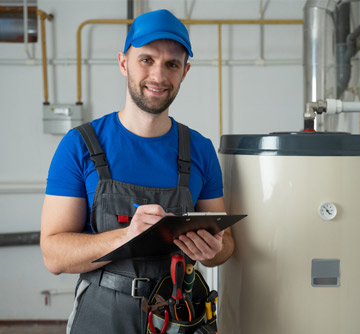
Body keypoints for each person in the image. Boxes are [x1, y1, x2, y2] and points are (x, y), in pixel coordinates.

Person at [40, 9, 234, 334]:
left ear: (184, 72)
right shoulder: (80, 146)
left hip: (180, 311)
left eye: (172, 64)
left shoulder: (199, 149)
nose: (158, 75)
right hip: (103, 313)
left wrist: (214, 251)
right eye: (146, 59)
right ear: (123, 62)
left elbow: (227, 245)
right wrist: (127, 237)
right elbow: (54, 255)